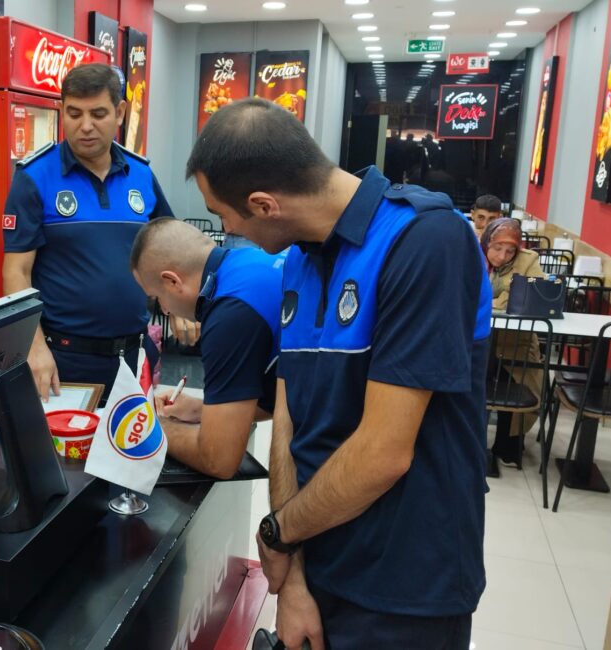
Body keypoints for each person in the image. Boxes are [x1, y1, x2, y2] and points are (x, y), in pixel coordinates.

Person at [186, 98, 491, 649]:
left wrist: (279, 533)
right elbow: (288, 416)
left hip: (404, 586)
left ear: (263, 203)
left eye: (222, 215)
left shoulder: (425, 240)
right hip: (317, 558)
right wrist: (294, 570)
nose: (224, 230)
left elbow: (383, 451)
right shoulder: (300, 259)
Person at [1, 63, 174, 401]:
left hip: (134, 356)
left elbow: (170, 247)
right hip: (62, 359)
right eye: (74, 113)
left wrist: (182, 306)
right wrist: (33, 347)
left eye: (98, 113)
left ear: (120, 112)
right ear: (62, 111)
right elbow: (16, 271)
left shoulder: (141, 175)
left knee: (134, 450)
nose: (85, 126)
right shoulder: (34, 177)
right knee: (65, 454)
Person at [130, 218, 283, 478]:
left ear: (172, 281)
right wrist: (202, 409)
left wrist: (150, 427)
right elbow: (278, 393)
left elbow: (218, 459)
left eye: (157, 299)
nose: (165, 310)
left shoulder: (229, 314)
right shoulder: (248, 261)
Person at [482, 217, 544, 469]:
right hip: (479, 340)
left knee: (521, 382)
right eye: (497, 248)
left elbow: (531, 296)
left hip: (516, 343)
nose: (503, 256)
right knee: (477, 380)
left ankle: (507, 445)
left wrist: (491, 302)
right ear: (487, 242)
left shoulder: (528, 260)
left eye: (510, 251)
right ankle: (471, 442)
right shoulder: (472, 253)